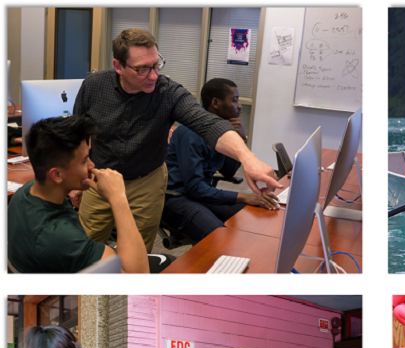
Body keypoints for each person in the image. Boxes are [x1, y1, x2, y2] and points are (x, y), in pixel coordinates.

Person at [74, 28, 283, 252]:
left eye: (156, 64)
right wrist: (75, 178)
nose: (153, 75)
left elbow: (207, 123)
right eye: (142, 69)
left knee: (136, 253)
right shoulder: (94, 86)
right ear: (118, 66)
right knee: (86, 248)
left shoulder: (168, 92)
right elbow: (77, 134)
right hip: (100, 179)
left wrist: (248, 158)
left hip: (147, 182)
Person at [7, 115, 150, 274]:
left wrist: (68, 192)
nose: (92, 165)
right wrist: (118, 198)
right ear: (57, 176)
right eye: (84, 160)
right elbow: (137, 277)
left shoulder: (24, 192)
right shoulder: (62, 239)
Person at [162, 78, 278, 242]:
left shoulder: (221, 132)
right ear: (215, 103)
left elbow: (229, 172)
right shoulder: (191, 133)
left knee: (254, 215)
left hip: (201, 194)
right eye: (235, 100)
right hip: (177, 197)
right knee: (220, 237)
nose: (240, 105)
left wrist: (239, 138)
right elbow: (194, 187)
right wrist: (244, 197)